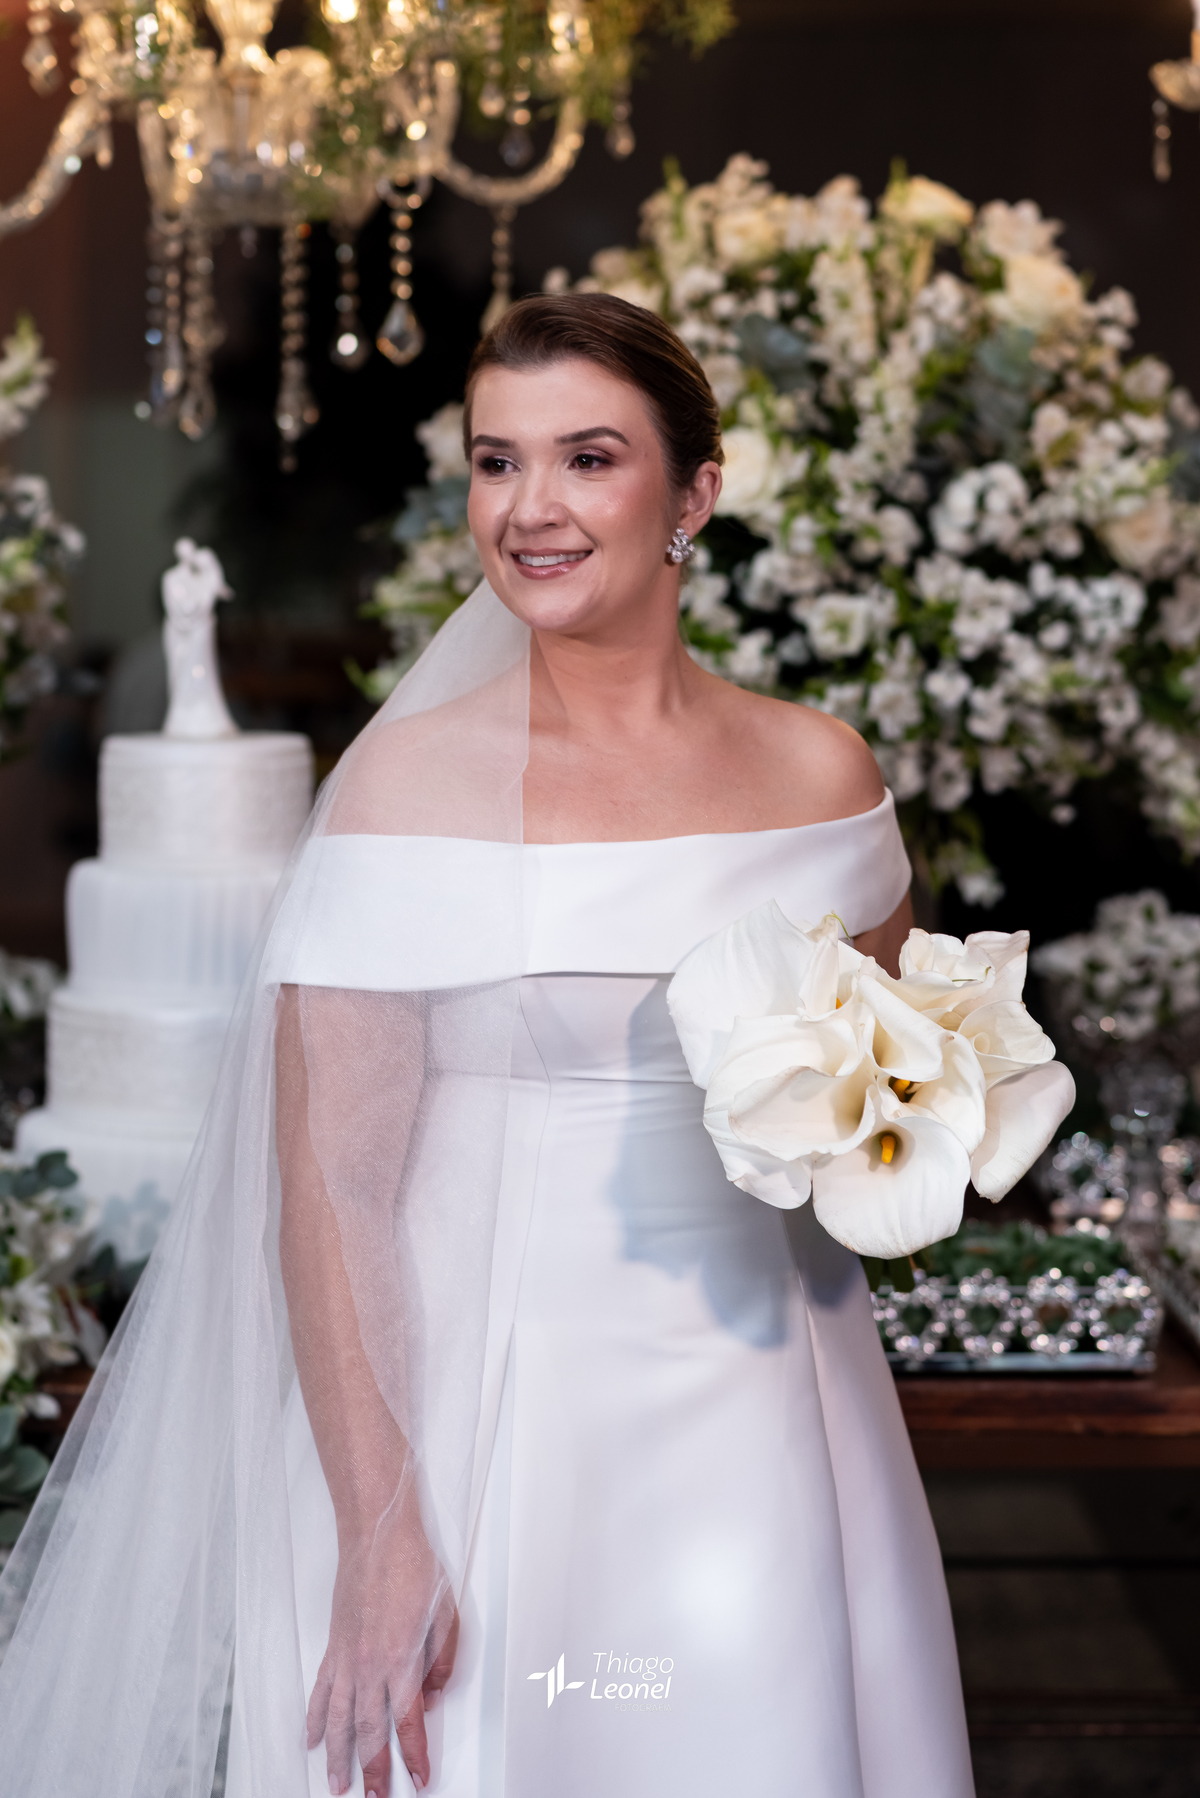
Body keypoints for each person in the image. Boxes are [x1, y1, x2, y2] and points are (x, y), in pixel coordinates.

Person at [0, 294, 975, 1798]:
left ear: (695, 493)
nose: (530, 508)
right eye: (496, 461)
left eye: (588, 458)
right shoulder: (405, 794)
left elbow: (898, 1084)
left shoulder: (821, 772)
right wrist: (384, 1530)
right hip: (478, 1415)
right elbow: (335, 1196)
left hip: (776, 1397)